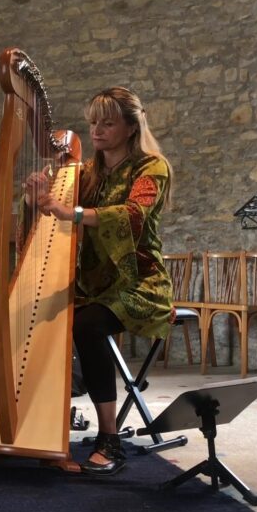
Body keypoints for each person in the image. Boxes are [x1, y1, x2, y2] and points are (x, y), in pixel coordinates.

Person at [28, 87, 173, 476]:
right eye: (93, 122)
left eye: (107, 123)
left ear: (130, 127)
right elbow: (51, 210)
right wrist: (37, 198)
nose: (97, 130)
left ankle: (109, 438)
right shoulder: (86, 172)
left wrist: (70, 212)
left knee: (87, 324)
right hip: (94, 284)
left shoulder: (151, 168)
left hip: (139, 282)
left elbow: (132, 215)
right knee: (40, 312)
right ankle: (37, 424)